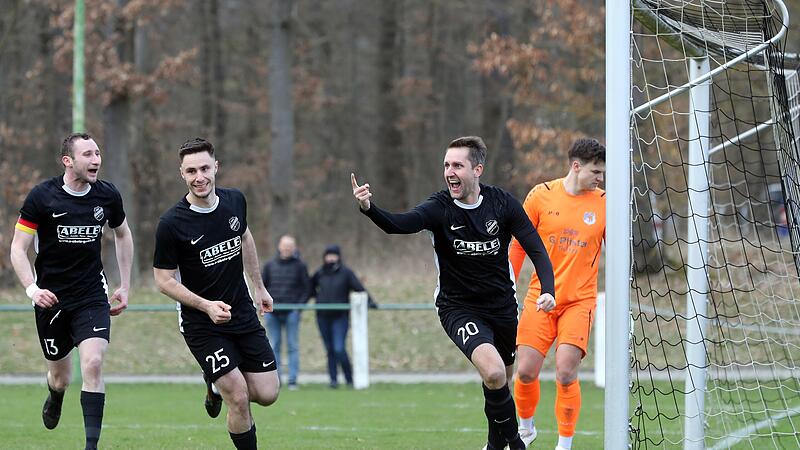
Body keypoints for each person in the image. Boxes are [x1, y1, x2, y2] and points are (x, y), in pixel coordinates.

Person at [352, 136, 555, 450]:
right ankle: (516, 444)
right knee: (493, 371)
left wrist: (548, 289)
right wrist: (369, 208)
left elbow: (536, 248)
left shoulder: (502, 203)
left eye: (457, 165)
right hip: (457, 307)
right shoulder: (439, 207)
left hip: (501, 307)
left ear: (477, 169)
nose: (449, 171)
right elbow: (399, 224)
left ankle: (493, 444)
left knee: (499, 382)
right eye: (446, 165)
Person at [9, 132, 134, 450]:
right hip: (51, 300)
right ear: (68, 161)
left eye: (98, 153)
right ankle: (55, 393)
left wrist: (125, 283)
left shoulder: (107, 196)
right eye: (88, 155)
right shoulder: (42, 197)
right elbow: (18, 249)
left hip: (92, 294)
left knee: (93, 363)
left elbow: (123, 234)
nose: (96, 160)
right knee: (61, 377)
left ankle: (90, 446)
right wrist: (32, 290)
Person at [153, 138, 279, 450]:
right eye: (191, 171)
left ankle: (213, 382)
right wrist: (205, 305)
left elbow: (245, 237)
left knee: (267, 393)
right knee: (237, 396)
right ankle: (222, 385)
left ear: (216, 167)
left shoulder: (235, 200)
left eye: (205, 168)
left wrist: (259, 286)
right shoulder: (171, 223)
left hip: (242, 312)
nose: (199, 177)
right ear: (182, 174)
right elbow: (163, 280)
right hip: (201, 323)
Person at [509, 138, 606, 450]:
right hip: (540, 297)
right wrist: (505, 284)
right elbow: (517, 245)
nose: (600, 178)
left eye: (602, 172)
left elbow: (618, 249)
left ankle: (564, 444)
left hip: (579, 301)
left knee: (565, 371)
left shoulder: (605, 202)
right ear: (576, 167)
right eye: (596, 171)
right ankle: (526, 429)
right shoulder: (541, 195)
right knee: (524, 371)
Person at [309, 244, 376, 388]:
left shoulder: (346, 273)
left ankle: (349, 378)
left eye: (334, 255)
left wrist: (370, 301)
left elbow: (359, 288)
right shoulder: (320, 273)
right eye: (329, 255)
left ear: (339, 256)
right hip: (322, 316)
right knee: (330, 349)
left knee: (339, 348)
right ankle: (333, 381)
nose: (331, 258)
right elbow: (309, 288)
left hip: (340, 317)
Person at [261, 234, 310, 390]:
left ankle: (293, 380)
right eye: (285, 245)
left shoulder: (300, 266)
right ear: (279, 246)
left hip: (292, 312)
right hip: (273, 312)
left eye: (290, 246)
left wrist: (298, 307)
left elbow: (306, 289)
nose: (287, 249)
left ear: (294, 248)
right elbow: (262, 287)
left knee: (293, 346)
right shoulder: (269, 265)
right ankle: (277, 380)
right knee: (274, 345)